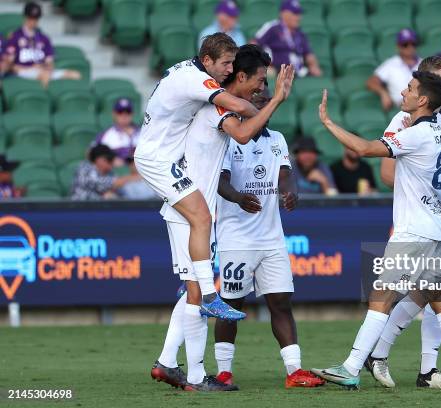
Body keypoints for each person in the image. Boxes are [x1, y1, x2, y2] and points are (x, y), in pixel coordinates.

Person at [311, 71, 441, 390]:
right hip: (436, 230)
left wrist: (328, 123)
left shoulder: (416, 134)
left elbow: (365, 149)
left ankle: (352, 366)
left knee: (381, 298)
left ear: (423, 99)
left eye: (410, 89)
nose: (403, 92)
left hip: (412, 233)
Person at [149, 44, 295, 392]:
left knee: (191, 292)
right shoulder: (216, 104)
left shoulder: (214, 102)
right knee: (199, 294)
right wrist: (276, 100)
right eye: (259, 81)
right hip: (190, 208)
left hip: (190, 205)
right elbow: (245, 132)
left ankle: (168, 363)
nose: (262, 88)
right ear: (240, 77)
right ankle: (197, 377)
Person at [369, 56, 441, 390]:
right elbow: (387, 173)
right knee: (428, 291)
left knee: (429, 292)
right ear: (427, 88)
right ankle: (437, 368)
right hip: (423, 216)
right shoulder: (404, 119)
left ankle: (424, 368)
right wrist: (427, 191)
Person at [213, 89, 325, 389]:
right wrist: (237, 198)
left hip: (272, 238)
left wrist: (291, 192)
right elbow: (219, 182)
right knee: (231, 306)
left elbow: (285, 174)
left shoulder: (277, 139)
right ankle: (224, 372)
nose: (263, 107)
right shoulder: (229, 138)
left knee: (281, 303)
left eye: (266, 103)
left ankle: (294, 371)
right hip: (236, 237)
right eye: (258, 102)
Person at [5, 2, 81, 87]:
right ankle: (43, 98)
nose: (33, 21)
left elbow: (50, 62)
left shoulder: (44, 38)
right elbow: (9, 65)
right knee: (45, 75)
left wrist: (45, 67)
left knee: (76, 75)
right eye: (31, 18)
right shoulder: (15, 36)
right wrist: (29, 68)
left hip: (42, 70)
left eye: (36, 18)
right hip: (24, 71)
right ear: (25, 17)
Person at [253, 0, 322, 77]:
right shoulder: (272, 27)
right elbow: (253, 45)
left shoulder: (300, 33)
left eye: (299, 14)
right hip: (277, 72)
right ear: (284, 13)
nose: (299, 17)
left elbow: (308, 54)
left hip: (299, 72)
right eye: (295, 13)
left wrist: (313, 65)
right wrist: (262, 65)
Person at [367, 28, 422, 111]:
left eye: (413, 44)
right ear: (398, 46)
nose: (410, 47)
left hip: (423, 104)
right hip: (402, 106)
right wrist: (383, 93)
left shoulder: (424, 63)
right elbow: (372, 81)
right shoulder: (390, 64)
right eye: (405, 44)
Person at [71, 144, 140, 200]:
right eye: (109, 160)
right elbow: (104, 184)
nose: (111, 163)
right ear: (99, 160)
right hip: (79, 209)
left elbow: (115, 190)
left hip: (99, 210)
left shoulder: (109, 172)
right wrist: (136, 177)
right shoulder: (85, 168)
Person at [94, 98, 140, 165]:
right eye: (120, 112)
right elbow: (91, 153)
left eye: (128, 111)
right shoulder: (106, 134)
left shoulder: (142, 133)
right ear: (114, 114)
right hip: (115, 173)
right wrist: (110, 160)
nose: (124, 115)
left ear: (132, 113)